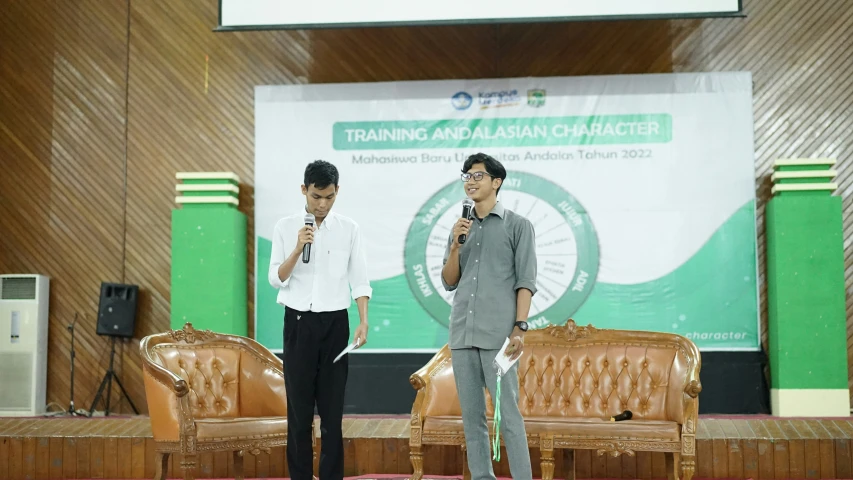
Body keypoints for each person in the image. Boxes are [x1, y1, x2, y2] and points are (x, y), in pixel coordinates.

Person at [268, 160, 371, 480]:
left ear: (337, 192)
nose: (322, 204)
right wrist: (299, 247)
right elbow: (276, 278)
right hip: (297, 324)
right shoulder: (285, 227)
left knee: (331, 414)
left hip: (335, 326)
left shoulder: (350, 229)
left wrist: (363, 320)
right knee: (298, 415)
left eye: (329, 197)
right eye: (316, 197)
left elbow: (360, 279)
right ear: (304, 190)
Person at [441, 153, 537, 480]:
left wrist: (520, 328)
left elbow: (526, 281)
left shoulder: (518, 226)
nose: (470, 180)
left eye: (477, 175)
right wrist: (455, 246)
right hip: (462, 337)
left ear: (496, 182)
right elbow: (449, 281)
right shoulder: (460, 228)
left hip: (500, 338)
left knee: (507, 416)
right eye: (466, 175)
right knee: (472, 419)